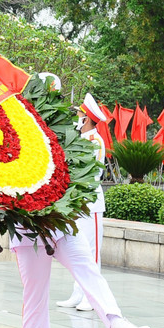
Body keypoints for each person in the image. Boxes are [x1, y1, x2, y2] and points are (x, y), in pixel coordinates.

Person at [11, 87, 151, 328]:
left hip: (62, 220)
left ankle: (115, 322)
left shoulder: (66, 135)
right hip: (28, 230)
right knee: (35, 302)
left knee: (88, 267)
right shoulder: (13, 132)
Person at [57, 93, 108, 312]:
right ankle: (78, 293)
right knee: (78, 251)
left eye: (79, 114)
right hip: (78, 201)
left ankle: (92, 298)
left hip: (90, 201)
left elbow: (89, 171)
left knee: (91, 251)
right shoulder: (81, 140)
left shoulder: (95, 141)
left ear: (86, 118)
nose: (77, 117)